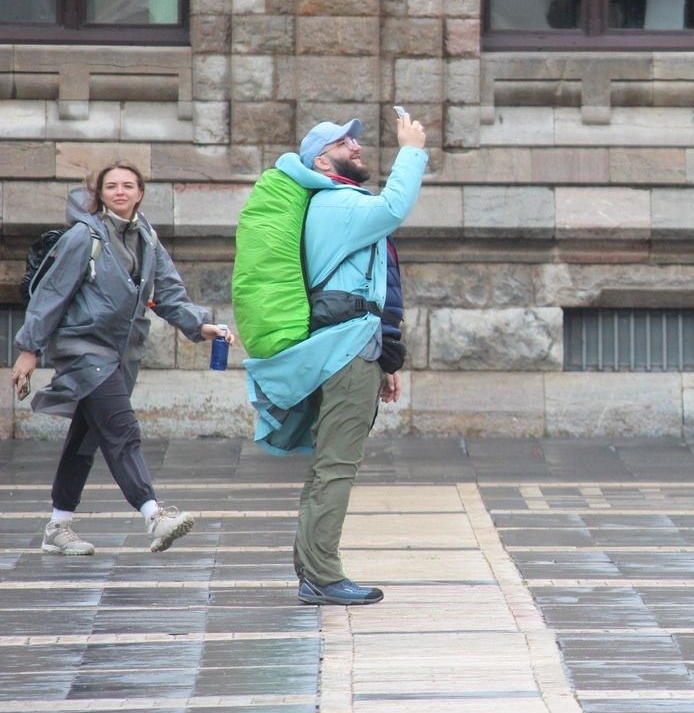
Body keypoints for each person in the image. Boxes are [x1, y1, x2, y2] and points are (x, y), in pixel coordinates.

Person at [244, 112, 428, 607]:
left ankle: (312, 569)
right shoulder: (337, 203)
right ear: (322, 161)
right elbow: (394, 208)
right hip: (346, 349)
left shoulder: (338, 203)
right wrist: (412, 150)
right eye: (344, 142)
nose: (356, 146)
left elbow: (372, 289)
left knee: (328, 464)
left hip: (354, 345)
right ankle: (323, 576)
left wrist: (387, 359)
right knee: (337, 465)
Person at [11, 162, 231, 555]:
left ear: (140, 192)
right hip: (83, 349)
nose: (120, 192)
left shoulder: (146, 237)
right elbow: (52, 294)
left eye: (128, 185)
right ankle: (154, 514)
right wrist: (29, 350)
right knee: (121, 429)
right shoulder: (84, 237)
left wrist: (201, 325)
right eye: (111, 186)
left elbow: (168, 293)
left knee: (85, 438)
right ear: (100, 194)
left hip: (118, 354)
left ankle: (58, 527)